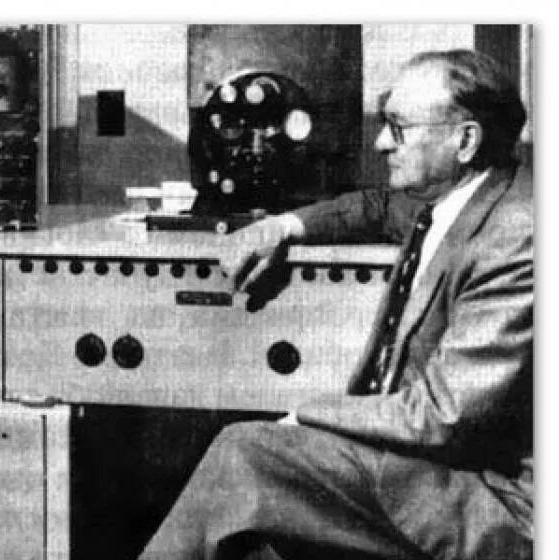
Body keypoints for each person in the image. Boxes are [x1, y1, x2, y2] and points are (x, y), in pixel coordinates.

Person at [138, 49, 532, 560]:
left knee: (246, 454)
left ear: (465, 140)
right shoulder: (460, 199)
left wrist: (306, 414)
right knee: (254, 513)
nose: (382, 142)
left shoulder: (517, 238)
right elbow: (376, 206)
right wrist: (283, 226)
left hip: (489, 504)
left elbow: (441, 416)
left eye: (399, 127)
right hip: (427, 466)